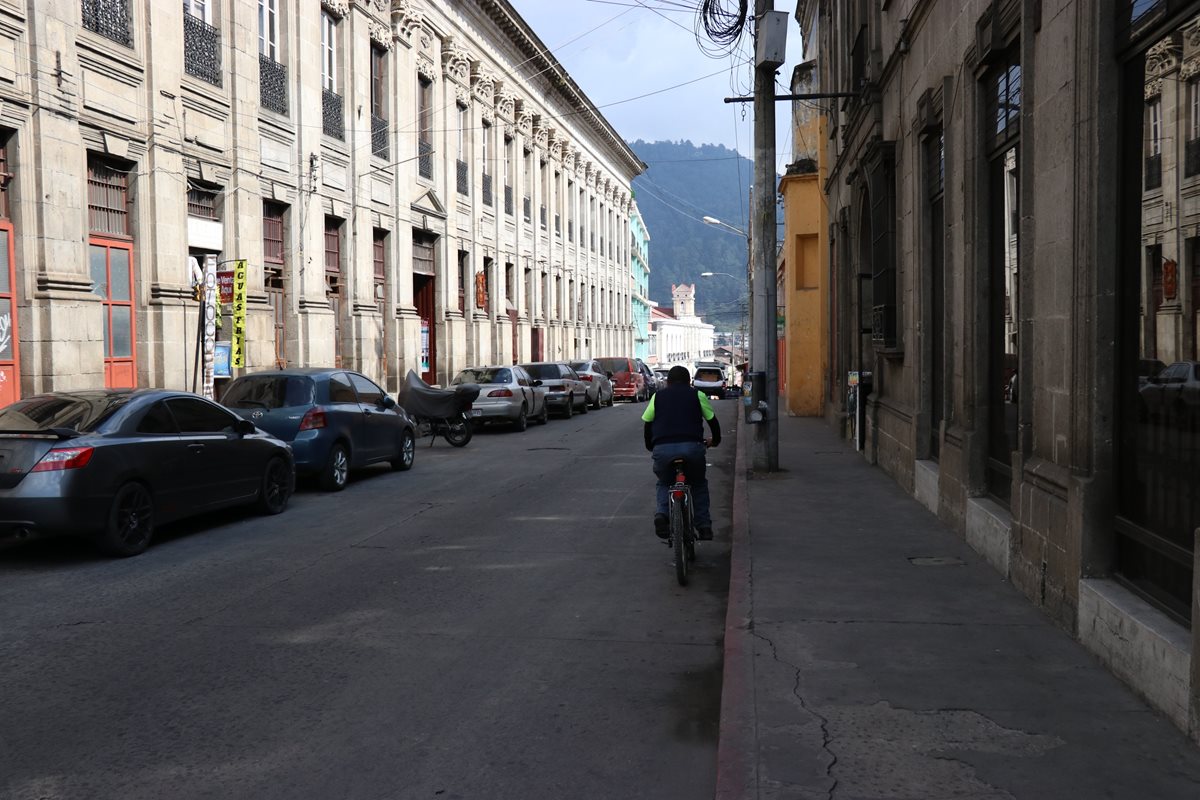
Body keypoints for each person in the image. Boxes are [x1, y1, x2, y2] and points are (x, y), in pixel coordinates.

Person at [641, 365, 721, 541]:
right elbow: (712, 422)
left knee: (664, 482)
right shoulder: (697, 395)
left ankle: (662, 515)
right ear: (689, 382)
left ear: (668, 382)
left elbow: (647, 424)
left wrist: (650, 446)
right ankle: (704, 526)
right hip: (692, 448)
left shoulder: (657, 397)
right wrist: (715, 440)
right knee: (698, 484)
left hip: (663, 449)